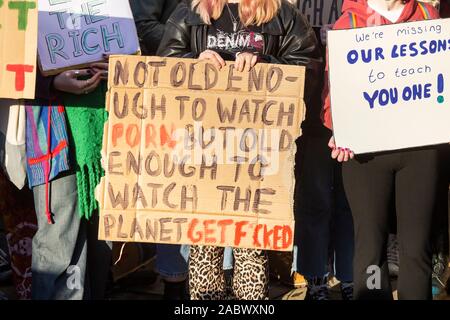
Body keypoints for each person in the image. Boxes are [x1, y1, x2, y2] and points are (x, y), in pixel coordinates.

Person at [157, 0, 322, 300]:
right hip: (203, 152)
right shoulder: (190, 12)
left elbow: (309, 67)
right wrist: (193, 61)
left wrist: (268, 65)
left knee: (251, 246)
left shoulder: (281, 13)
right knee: (204, 246)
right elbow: (163, 66)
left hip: (256, 156)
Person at [323, 0, 441, 300]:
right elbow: (331, 94)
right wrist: (337, 128)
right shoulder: (346, 25)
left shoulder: (428, 16)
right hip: (365, 155)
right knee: (370, 249)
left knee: (416, 249)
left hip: (421, 151)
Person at [26, 60, 111, 299]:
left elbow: (139, 46)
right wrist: (50, 82)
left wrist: (121, 66)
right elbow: (9, 64)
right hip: (54, 138)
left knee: (100, 251)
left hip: (108, 139)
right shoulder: (19, 19)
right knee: (59, 249)